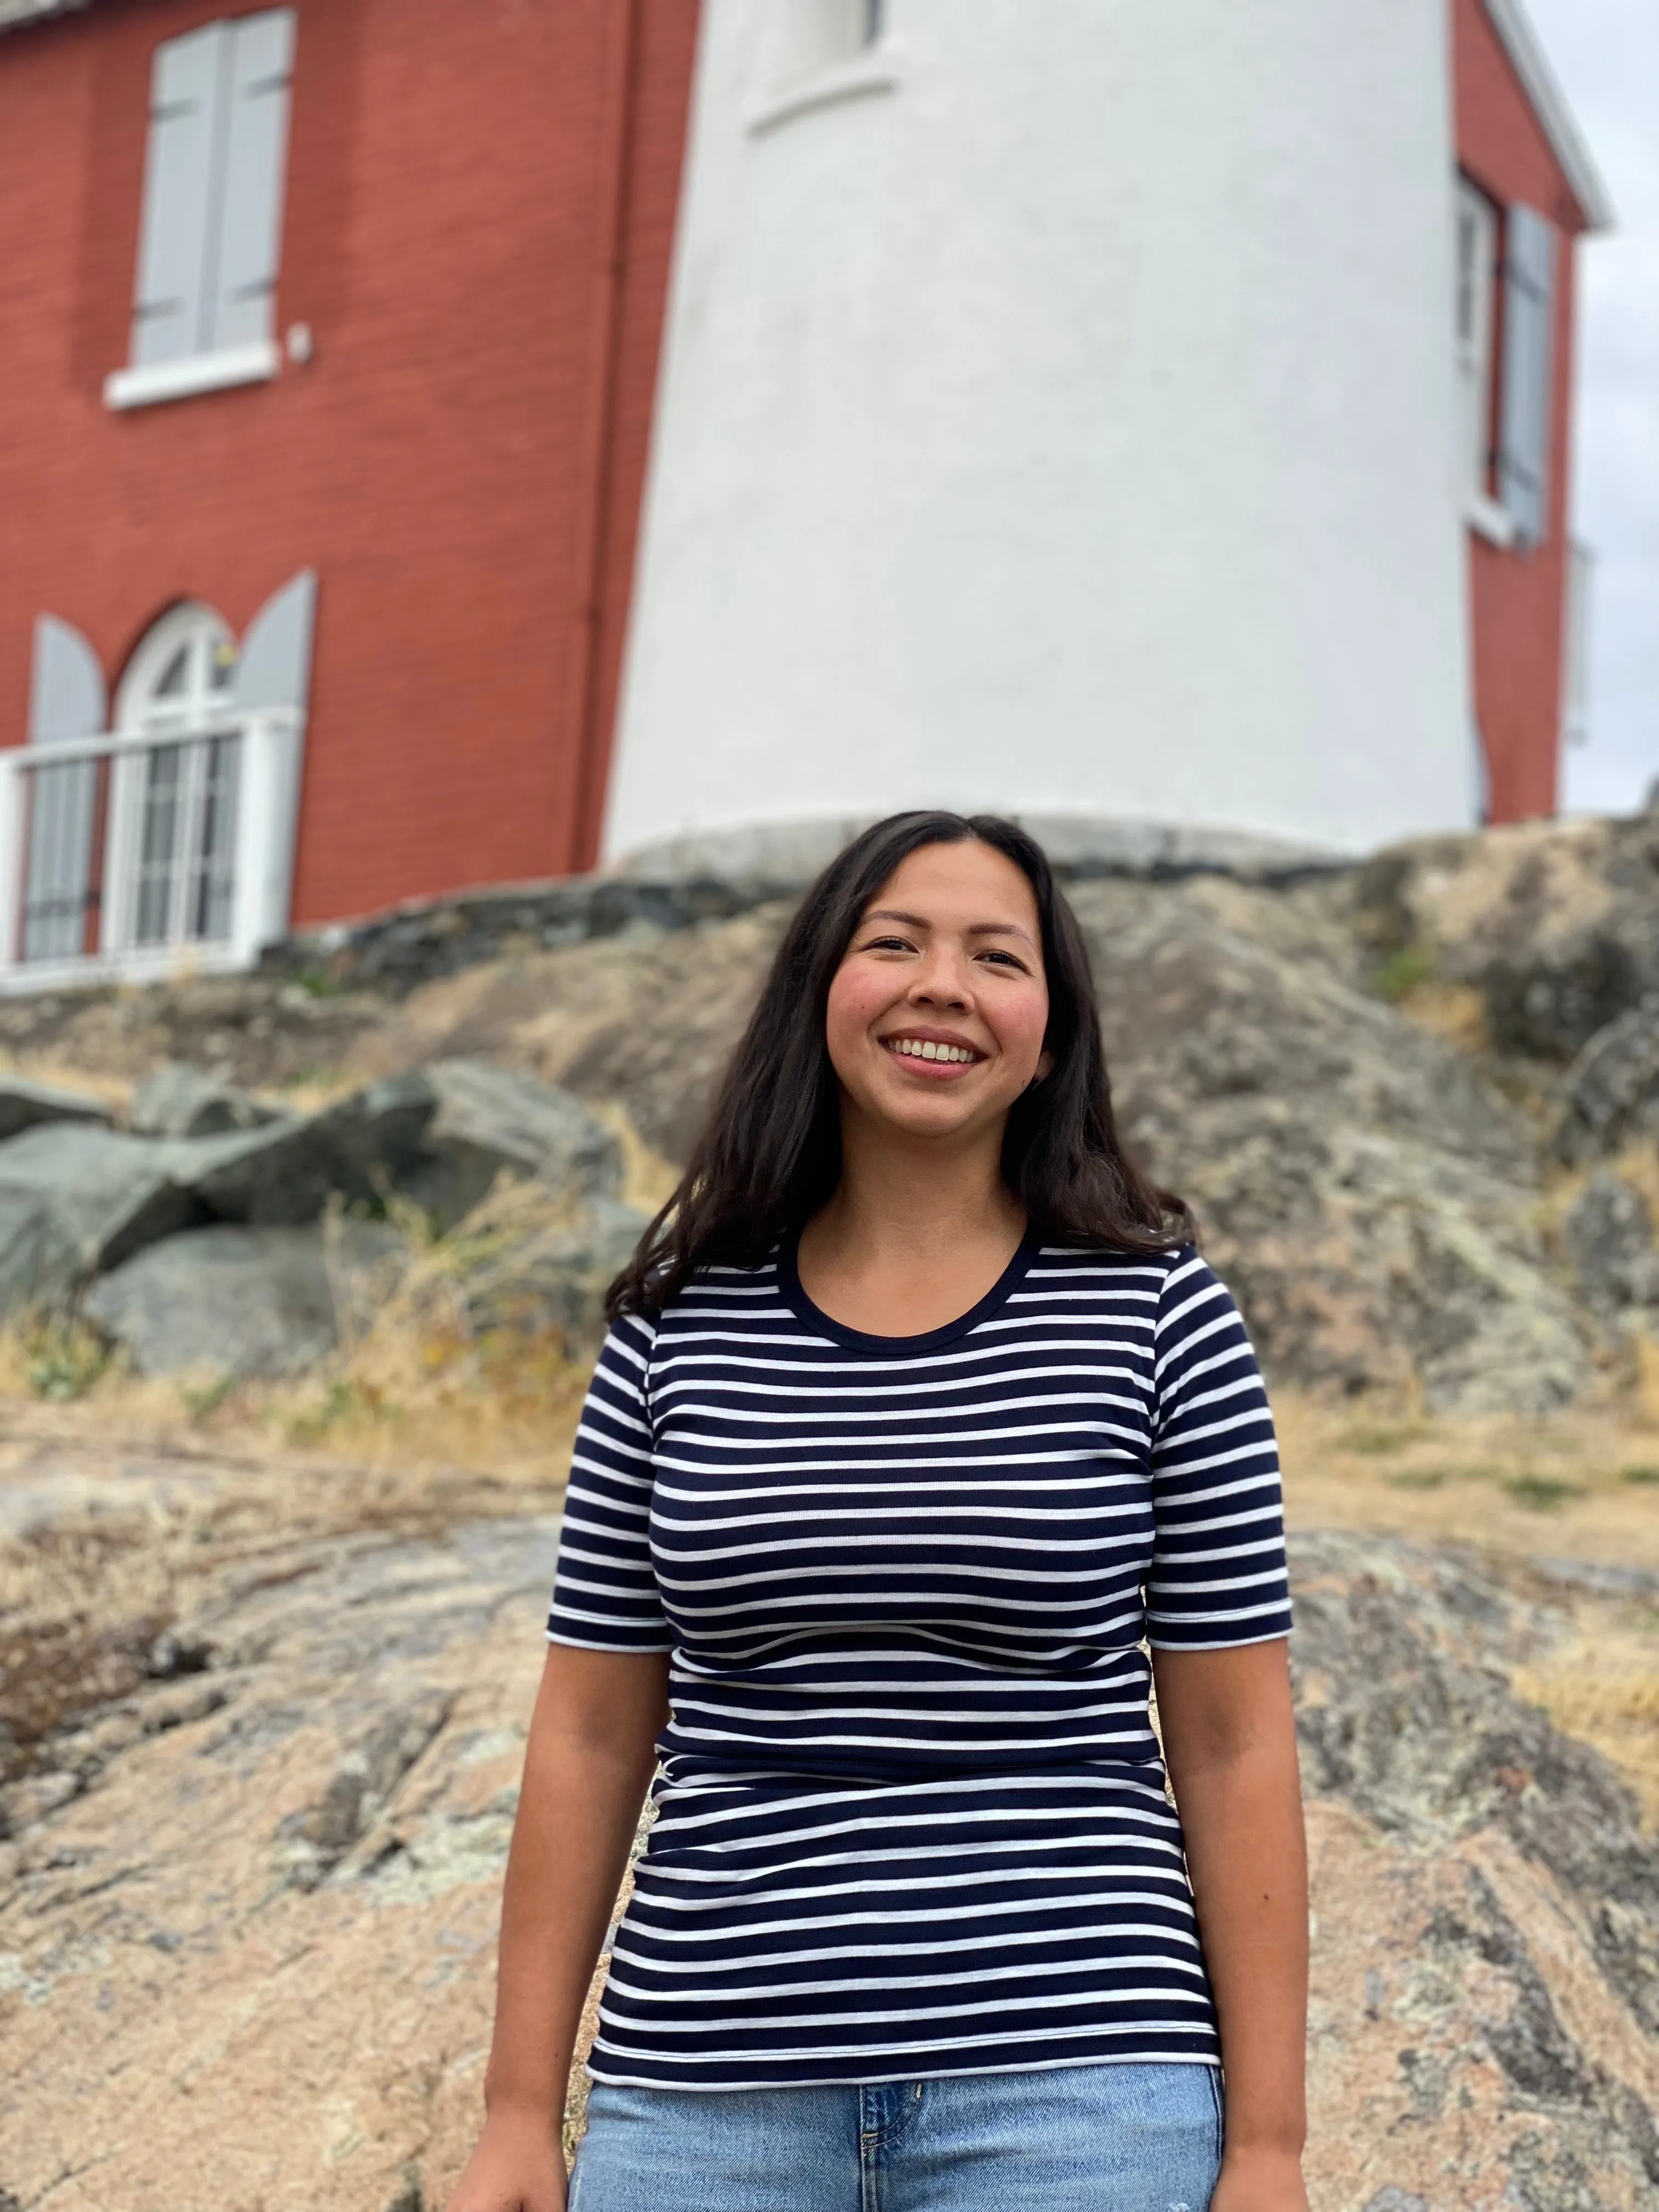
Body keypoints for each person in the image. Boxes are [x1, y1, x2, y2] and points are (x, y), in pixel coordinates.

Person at [447, 812, 1308, 2212]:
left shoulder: (1160, 1318)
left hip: (1077, 2089)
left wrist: (1270, 2150)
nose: (942, 988)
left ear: (1050, 1028)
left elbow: (1233, 1741)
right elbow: (594, 1726)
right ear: (818, 990)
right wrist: (514, 2112)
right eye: (893, 943)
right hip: (701, 2093)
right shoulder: (674, 1330)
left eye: (997, 957)